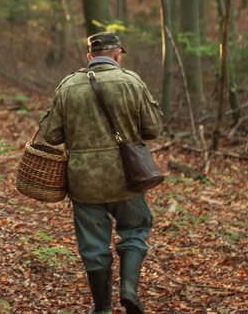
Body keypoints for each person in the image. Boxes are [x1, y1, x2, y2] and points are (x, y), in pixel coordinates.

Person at [39, 32, 163, 314]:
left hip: (84, 181)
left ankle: (103, 308)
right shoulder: (131, 81)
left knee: (94, 246)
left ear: (89, 57)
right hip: (127, 177)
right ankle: (129, 290)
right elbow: (153, 129)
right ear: (118, 55)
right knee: (134, 230)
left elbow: (51, 134)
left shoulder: (69, 86)